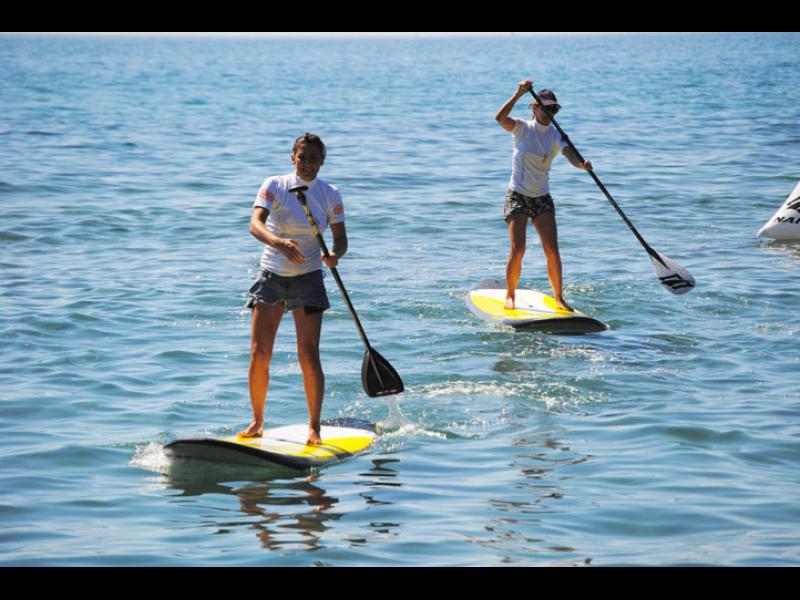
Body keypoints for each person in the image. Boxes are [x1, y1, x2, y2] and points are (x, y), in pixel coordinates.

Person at [241, 133, 347, 445]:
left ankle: (314, 427)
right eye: (303, 157)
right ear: (292, 158)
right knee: (260, 353)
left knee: (308, 354)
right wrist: (278, 243)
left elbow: (340, 238)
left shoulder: (330, 194)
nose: (308, 163)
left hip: (309, 278)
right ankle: (258, 421)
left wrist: (335, 255)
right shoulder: (274, 184)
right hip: (271, 275)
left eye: (314, 158)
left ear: (322, 161)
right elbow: (255, 224)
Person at [495, 79, 592, 312]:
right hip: (517, 195)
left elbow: (570, 155)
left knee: (552, 250)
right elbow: (500, 118)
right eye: (544, 107)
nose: (548, 112)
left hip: (542, 198)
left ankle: (559, 298)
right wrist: (518, 92)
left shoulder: (556, 136)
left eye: (553, 109)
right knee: (518, 249)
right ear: (534, 108)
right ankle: (510, 296)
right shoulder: (522, 128)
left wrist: (581, 165)